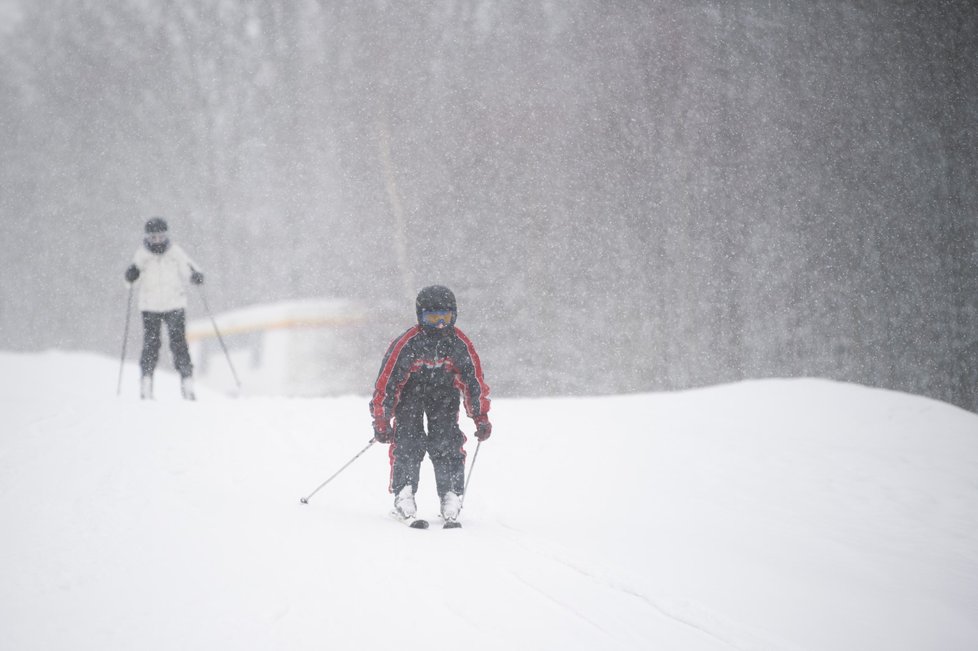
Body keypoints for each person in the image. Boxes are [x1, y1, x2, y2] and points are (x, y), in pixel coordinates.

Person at [369, 285, 492, 525]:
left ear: (453, 315)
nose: (439, 324)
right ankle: (404, 492)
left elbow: (473, 381)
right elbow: (387, 383)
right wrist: (382, 420)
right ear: (420, 316)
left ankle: (450, 493)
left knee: (446, 440)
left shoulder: (459, 343)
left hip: (443, 395)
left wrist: (480, 416)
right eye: (432, 317)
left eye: (444, 317)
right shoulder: (408, 343)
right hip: (410, 395)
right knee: (408, 440)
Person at [124, 217, 204, 400]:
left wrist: (196, 276)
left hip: (174, 305)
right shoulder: (142, 256)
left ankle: (187, 382)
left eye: (160, 236)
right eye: (153, 237)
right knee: (151, 345)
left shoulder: (175, 253)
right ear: (148, 238)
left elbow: (188, 269)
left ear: (166, 236)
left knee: (179, 345)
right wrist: (130, 276)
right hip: (150, 307)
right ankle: (146, 381)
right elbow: (131, 280)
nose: (157, 241)